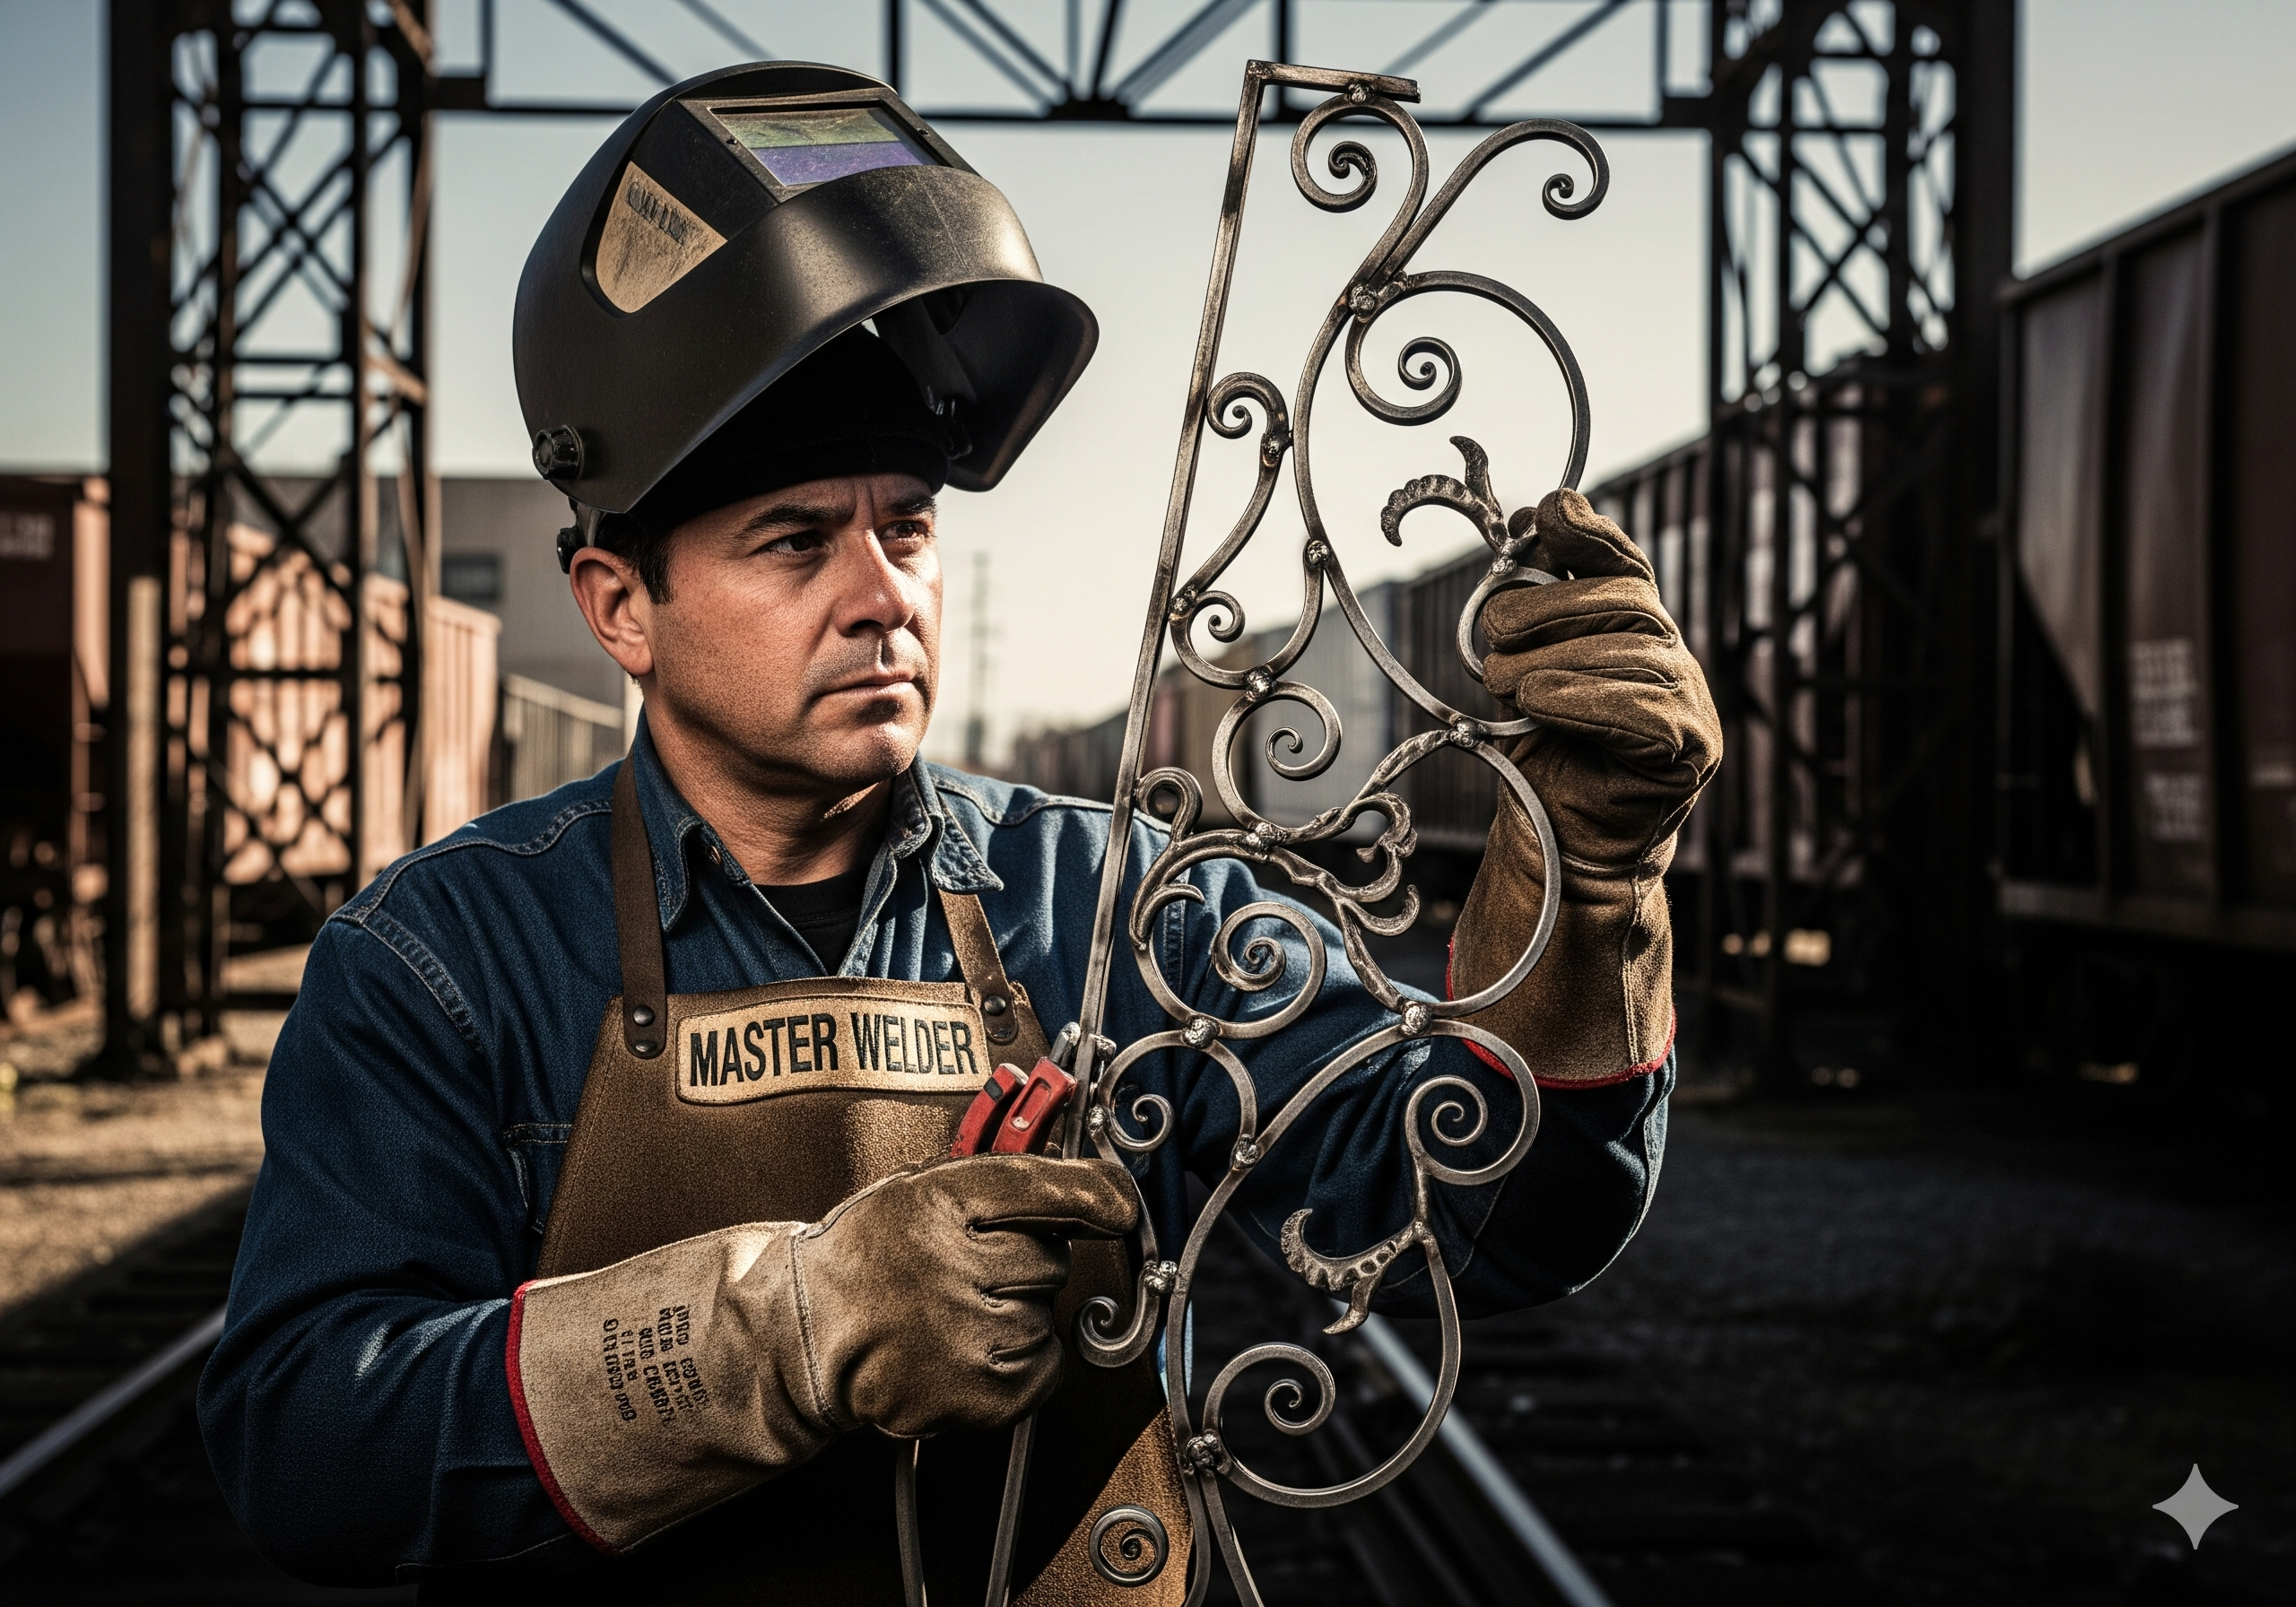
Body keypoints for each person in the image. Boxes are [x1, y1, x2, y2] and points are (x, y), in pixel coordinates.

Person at [198, 61, 1718, 1604]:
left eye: (908, 526)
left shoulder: (1127, 908)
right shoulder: (450, 963)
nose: (882, 593)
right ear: (620, 608)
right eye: (796, 540)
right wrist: (784, 1334)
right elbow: (309, 1441)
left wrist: (1594, 894)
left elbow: (1499, 1224)